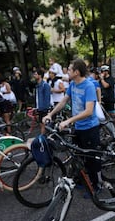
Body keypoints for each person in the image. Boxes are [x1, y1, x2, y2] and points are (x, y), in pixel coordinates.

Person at [43, 59, 101, 190]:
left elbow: (89, 111)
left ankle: (95, 186)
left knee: (91, 158)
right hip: (78, 127)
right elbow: (63, 101)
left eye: (69, 69)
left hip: (90, 128)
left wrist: (69, 121)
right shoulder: (73, 85)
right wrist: (50, 114)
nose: (67, 71)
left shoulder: (89, 86)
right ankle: (81, 181)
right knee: (78, 156)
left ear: (76, 72)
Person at [33, 70, 51, 134]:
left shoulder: (45, 85)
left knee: (44, 125)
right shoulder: (37, 86)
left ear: (40, 75)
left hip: (44, 109)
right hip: (39, 108)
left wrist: (46, 108)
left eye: (35, 74)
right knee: (41, 124)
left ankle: (42, 139)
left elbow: (47, 98)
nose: (34, 76)